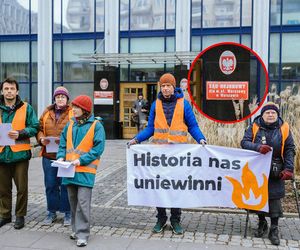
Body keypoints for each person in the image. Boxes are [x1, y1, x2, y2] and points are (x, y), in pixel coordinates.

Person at [127, 73, 206, 235]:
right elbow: (150, 128)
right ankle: (161, 218)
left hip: (178, 155)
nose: (165, 88)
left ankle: (175, 219)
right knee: (159, 186)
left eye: (168, 85)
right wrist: (137, 139)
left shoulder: (183, 104)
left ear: (173, 87)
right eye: (162, 86)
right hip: (160, 154)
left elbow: (193, 126)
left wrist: (201, 139)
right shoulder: (156, 104)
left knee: (176, 187)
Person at [241, 102, 295, 246]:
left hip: (277, 168)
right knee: (258, 196)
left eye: (273, 113)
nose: (270, 115)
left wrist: (289, 169)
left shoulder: (284, 128)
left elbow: (290, 149)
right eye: (267, 113)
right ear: (262, 115)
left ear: (277, 115)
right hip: (257, 168)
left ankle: (274, 229)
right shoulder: (254, 126)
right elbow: (244, 143)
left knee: (274, 198)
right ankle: (262, 222)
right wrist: (258, 147)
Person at [56, 95, 105, 247]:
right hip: (69, 170)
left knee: (83, 204)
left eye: (77, 107)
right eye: (73, 107)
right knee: (73, 203)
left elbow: (98, 149)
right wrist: (60, 157)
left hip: (85, 172)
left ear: (85, 110)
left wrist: (81, 160)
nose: (73, 109)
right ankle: (76, 230)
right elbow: (63, 144)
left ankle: (82, 234)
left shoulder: (96, 126)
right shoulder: (70, 125)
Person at [0, 78, 39, 229]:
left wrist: (21, 133)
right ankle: (5, 215)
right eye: (6, 89)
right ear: (2, 91)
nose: (9, 91)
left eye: (12, 89)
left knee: (22, 188)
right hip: (2, 154)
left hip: (20, 155)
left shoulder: (26, 108)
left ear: (17, 91)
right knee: (3, 189)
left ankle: (20, 216)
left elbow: (35, 126)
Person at [37, 86, 72, 226]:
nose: (60, 99)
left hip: (66, 156)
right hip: (48, 155)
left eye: (63, 97)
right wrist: (41, 139)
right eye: (58, 97)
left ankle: (68, 213)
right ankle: (51, 212)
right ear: (54, 99)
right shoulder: (46, 112)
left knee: (65, 185)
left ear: (67, 99)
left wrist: (64, 140)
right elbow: (39, 129)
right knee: (50, 185)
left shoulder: (72, 113)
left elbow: (76, 131)